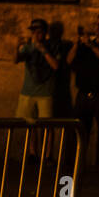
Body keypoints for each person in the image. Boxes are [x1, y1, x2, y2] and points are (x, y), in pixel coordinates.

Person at [68, 13, 99, 175]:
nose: (97, 27)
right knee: (80, 131)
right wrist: (77, 44)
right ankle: (75, 165)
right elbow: (69, 61)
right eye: (96, 24)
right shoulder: (85, 46)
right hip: (83, 95)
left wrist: (91, 46)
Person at [14, 18, 63, 157]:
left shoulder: (53, 46)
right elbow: (16, 60)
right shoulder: (28, 46)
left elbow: (55, 66)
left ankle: (48, 155)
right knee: (30, 125)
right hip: (28, 92)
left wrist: (42, 49)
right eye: (33, 31)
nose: (36, 35)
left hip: (45, 93)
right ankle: (32, 152)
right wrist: (16, 47)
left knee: (48, 126)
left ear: (45, 33)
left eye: (39, 32)